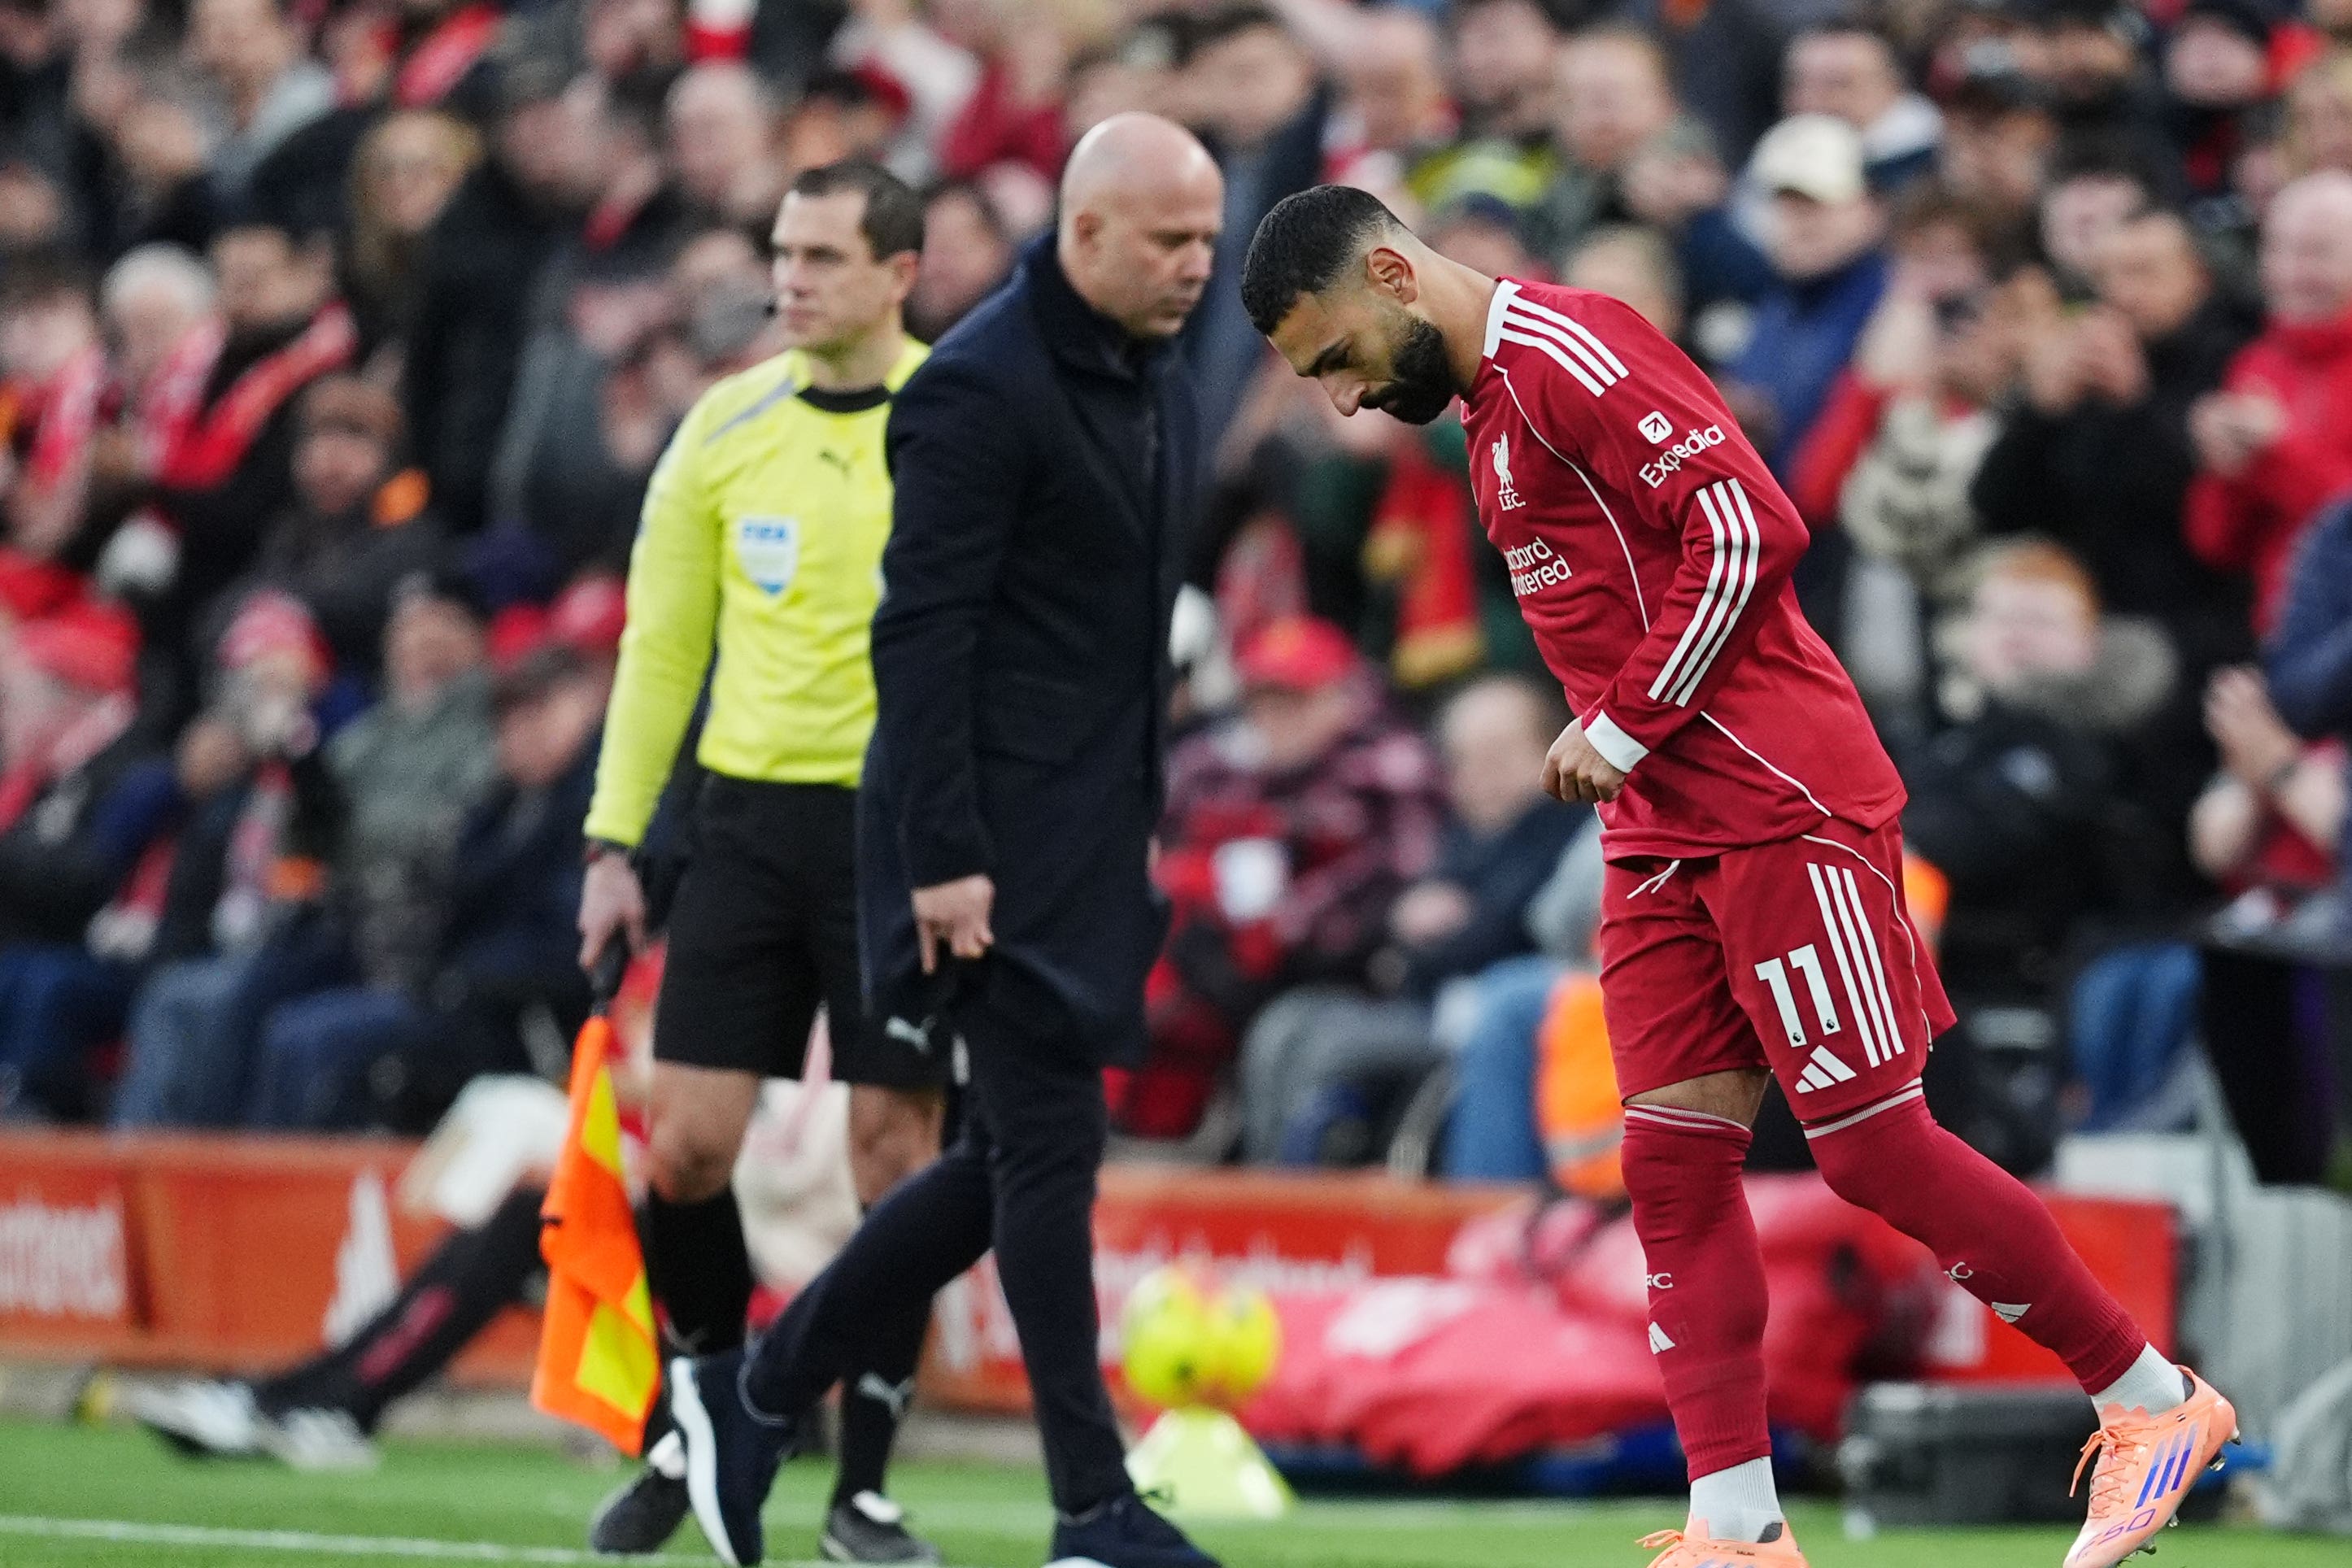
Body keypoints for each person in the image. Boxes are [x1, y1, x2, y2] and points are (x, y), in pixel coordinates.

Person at [1239, 183, 2236, 1568]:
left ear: (1395, 276)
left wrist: (1626, 720)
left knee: (1873, 1147)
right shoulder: (1487, 414)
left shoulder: (1574, 350)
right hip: (1660, 828)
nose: (1344, 398)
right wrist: (1627, 746)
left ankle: (2150, 1397)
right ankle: (1738, 1530)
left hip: (1777, 799)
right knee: (1668, 1167)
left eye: (1337, 356)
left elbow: (1752, 528)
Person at [664, 113, 1224, 1568]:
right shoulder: (982, 385)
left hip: (1091, 835)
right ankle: (1091, 1507)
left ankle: (756, 1395)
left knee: (1008, 1160)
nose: (1196, 265)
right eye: (1170, 240)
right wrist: (942, 857)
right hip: (988, 844)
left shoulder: (1153, 375)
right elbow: (919, 640)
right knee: (1046, 1153)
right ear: (1086, 232)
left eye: (1208, 240)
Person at [573, 162, 950, 1566]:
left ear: (898, 275)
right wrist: (614, 842)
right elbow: (660, 649)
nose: (790, 280)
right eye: (782, 253)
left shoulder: (957, 419)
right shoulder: (723, 427)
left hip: (900, 836)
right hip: (743, 827)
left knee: (895, 1162)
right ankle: (704, 1419)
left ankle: (866, 1488)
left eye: (823, 257)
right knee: (684, 1148)